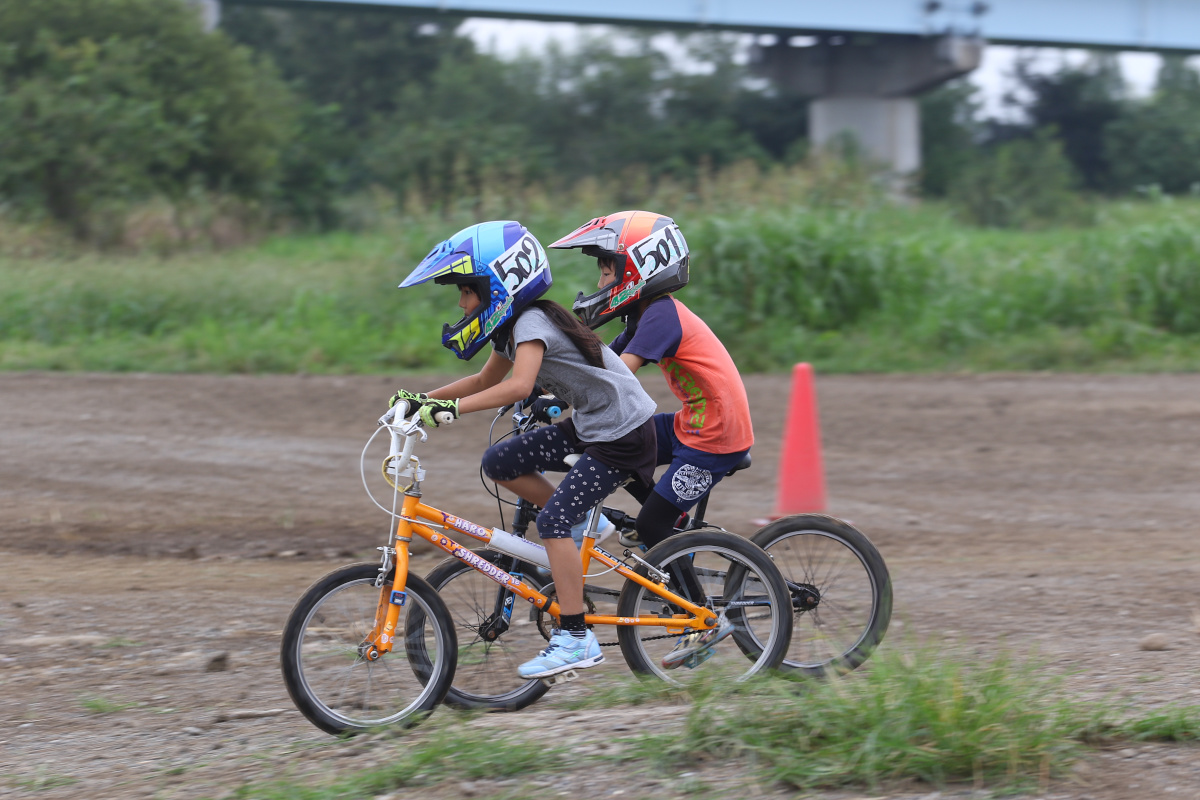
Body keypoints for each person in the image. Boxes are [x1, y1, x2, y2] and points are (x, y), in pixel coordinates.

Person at [391, 220, 657, 680]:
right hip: (595, 426)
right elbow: (482, 381)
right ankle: (582, 524)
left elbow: (519, 385)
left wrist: (451, 410)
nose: (461, 303)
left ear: (497, 287)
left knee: (551, 522)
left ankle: (576, 638)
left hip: (622, 434)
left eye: (466, 292)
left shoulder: (532, 322)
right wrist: (422, 400)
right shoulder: (513, 326)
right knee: (501, 461)